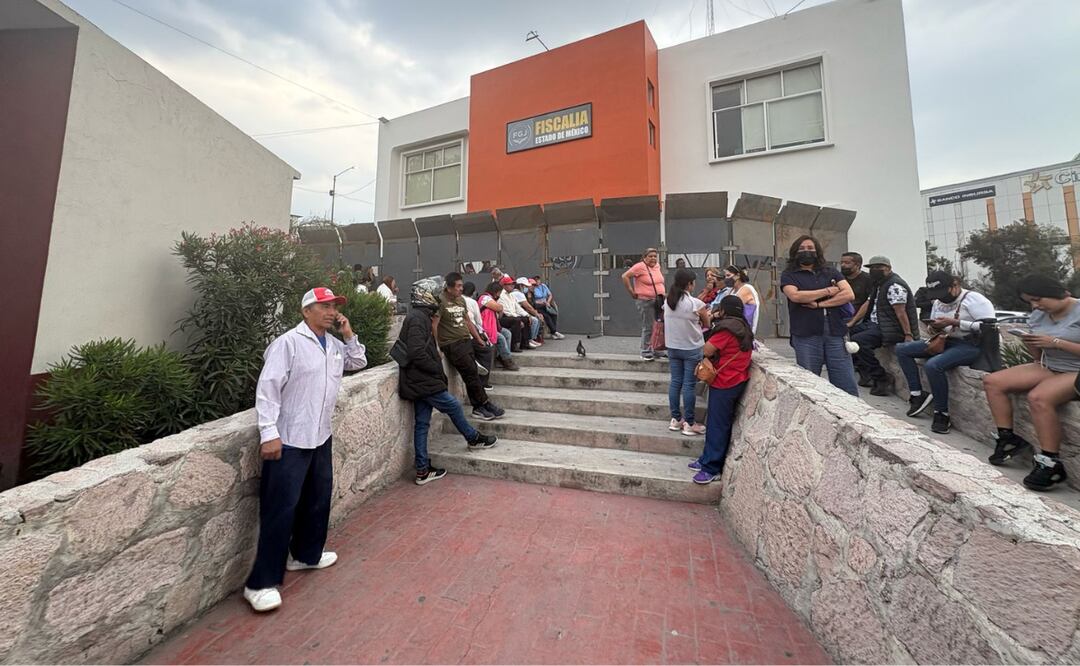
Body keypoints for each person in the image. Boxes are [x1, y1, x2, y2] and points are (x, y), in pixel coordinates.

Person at [244, 287, 368, 613]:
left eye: (333, 307)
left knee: (316, 501)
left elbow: (358, 361)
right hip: (289, 439)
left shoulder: (335, 346)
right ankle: (260, 583)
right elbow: (267, 389)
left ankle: (305, 555)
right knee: (279, 510)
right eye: (323, 306)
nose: (330, 311)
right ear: (306, 311)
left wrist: (349, 333)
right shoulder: (288, 344)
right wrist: (268, 433)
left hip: (320, 436)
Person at [398, 277, 497, 487]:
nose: (437, 297)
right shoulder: (417, 318)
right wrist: (435, 368)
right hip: (422, 380)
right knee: (452, 405)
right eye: (434, 294)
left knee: (422, 424)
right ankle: (473, 438)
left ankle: (423, 469)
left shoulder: (420, 316)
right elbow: (416, 352)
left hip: (419, 380)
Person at [982, 274, 1076, 491]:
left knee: (1039, 397)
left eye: (1038, 299)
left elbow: (1055, 343)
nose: (1036, 305)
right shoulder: (1038, 315)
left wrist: (1056, 342)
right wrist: (1031, 341)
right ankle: (1008, 438)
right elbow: (1037, 356)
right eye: (1031, 301)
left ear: (1059, 294)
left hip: (1076, 369)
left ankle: (1050, 462)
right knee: (993, 382)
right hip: (1049, 365)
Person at [895, 272, 995, 434]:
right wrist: (934, 327)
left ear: (954, 285)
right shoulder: (938, 302)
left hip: (971, 344)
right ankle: (916, 394)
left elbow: (989, 327)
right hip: (945, 340)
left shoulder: (974, 300)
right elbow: (934, 325)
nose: (941, 298)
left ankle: (942, 413)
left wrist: (955, 322)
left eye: (943, 293)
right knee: (902, 349)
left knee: (934, 365)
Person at [780, 236, 859, 396]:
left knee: (845, 381)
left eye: (810, 248)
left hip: (835, 332)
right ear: (795, 252)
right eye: (802, 249)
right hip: (806, 334)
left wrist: (818, 304)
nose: (806, 251)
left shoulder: (830, 272)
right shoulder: (789, 275)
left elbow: (849, 294)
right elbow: (795, 296)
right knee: (810, 383)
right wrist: (828, 291)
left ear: (817, 251)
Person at [690, 296, 754, 484]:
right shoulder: (743, 326)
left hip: (725, 381)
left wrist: (711, 322)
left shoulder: (727, 329)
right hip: (736, 378)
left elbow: (707, 350)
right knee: (717, 422)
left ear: (724, 310)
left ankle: (711, 467)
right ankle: (706, 459)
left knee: (718, 424)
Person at [436, 272, 505, 421]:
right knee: (471, 373)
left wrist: (478, 338)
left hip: (465, 340)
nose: (461, 289)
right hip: (451, 344)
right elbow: (434, 325)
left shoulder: (460, 300)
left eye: (462, 285)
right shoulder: (441, 302)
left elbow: (468, 321)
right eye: (458, 286)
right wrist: (437, 347)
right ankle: (481, 406)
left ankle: (482, 405)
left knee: (473, 372)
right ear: (449, 287)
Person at [849, 255, 919, 396]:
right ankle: (865, 372)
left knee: (859, 342)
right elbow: (868, 304)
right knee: (848, 335)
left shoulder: (894, 286)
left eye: (878, 268)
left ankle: (881, 377)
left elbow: (901, 312)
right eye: (872, 268)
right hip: (875, 324)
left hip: (890, 328)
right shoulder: (879, 284)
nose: (874, 270)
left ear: (888, 268)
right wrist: (852, 322)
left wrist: (908, 334)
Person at [664, 268, 711, 436]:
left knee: (675, 382)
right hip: (691, 348)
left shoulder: (668, 302)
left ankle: (676, 419)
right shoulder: (696, 304)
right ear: (690, 284)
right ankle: (690, 423)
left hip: (673, 347)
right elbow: (707, 324)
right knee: (689, 385)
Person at [621, 248, 666, 360]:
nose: (653, 258)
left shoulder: (657, 266)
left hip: (658, 300)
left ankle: (656, 349)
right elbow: (625, 276)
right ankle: (645, 351)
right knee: (649, 326)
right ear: (644, 257)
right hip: (646, 301)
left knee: (658, 326)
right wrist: (632, 291)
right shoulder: (639, 267)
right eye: (650, 256)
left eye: (655, 256)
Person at [840, 252, 874, 385]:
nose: (843, 265)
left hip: (860, 317)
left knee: (856, 340)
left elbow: (868, 302)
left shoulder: (867, 280)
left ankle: (865, 373)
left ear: (857, 265)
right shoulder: (841, 279)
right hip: (842, 315)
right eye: (842, 262)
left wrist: (853, 320)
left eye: (847, 263)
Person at [478, 281, 520, 371]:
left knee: (507, 333)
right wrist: (499, 307)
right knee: (501, 338)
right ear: (496, 291)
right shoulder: (485, 298)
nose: (500, 295)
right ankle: (507, 360)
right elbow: (499, 308)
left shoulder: (491, 299)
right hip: (485, 327)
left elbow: (499, 315)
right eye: (499, 292)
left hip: (493, 326)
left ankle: (503, 356)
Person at [462, 282, 496, 388]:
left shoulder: (456, 301)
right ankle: (483, 382)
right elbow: (478, 322)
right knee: (486, 351)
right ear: (473, 292)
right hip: (470, 335)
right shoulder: (472, 302)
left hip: (462, 336)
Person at [498, 276, 538, 351]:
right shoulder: (501, 295)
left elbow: (518, 307)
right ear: (504, 286)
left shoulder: (511, 295)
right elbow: (506, 311)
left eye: (513, 284)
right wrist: (518, 318)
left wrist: (527, 315)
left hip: (513, 315)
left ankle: (525, 342)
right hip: (504, 316)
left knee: (526, 319)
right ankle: (514, 345)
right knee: (516, 321)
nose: (512, 286)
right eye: (510, 284)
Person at [719, 265, 760, 334]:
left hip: (744, 327)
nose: (726, 278)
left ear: (738, 276)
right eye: (725, 276)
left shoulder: (746, 288)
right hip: (732, 324)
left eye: (728, 275)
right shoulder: (731, 290)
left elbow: (730, 308)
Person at [513, 277, 544, 344]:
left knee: (536, 318)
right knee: (535, 320)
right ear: (521, 285)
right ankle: (530, 339)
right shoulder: (519, 294)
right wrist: (536, 314)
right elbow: (528, 307)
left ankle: (533, 338)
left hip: (519, 312)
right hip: (517, 314)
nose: (526, 288)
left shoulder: (518, 293)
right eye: (525, 286)